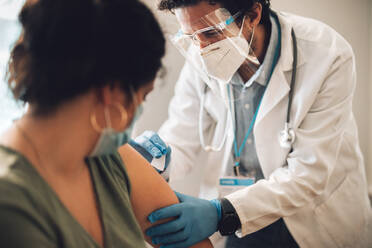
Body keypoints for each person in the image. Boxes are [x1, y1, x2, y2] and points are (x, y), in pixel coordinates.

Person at [130, 0, 372, 247]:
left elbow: (309, 173)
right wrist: (158, 157)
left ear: (253, 15)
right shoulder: (199, 54)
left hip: (312, 219)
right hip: (238, 215)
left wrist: (222, 213)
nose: (201, 50)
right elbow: (182, 134)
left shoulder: (327, 54)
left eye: (210, 33)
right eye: (190, 37)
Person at [0, 0, 214, 247]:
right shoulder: (10, 201)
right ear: (111, 92)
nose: (138, 110)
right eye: (142, 96)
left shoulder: (107, 157)